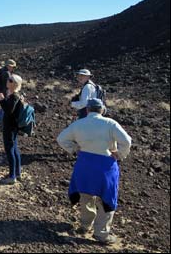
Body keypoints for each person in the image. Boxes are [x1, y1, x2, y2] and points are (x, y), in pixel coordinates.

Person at [57, 98, 132, 245]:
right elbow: (127, 141)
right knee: (106, 199)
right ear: (102, 110)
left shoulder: (79, 124)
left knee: (86, 195)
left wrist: (74, 148)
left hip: (84, 164)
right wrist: (119, 154)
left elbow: (61, 139)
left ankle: (85, 226)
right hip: (105, 166)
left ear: (87, 110)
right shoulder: (110, 123)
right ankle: (101, 234)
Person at [0, 73, 24, 184]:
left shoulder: (14, 96)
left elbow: (9, 111)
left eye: (11, 80)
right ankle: (17, 173)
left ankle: (12, 176)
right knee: (14, 149)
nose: (8, 80)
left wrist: (2, 100)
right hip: (13, 126)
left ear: (15, 84)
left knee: (10, 151)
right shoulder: (15, 95)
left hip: (10, 127)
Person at [0, 59, 16, 128]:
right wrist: (7, 94)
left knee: (3, 109)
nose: (13, 68)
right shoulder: (6, 73)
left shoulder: (1, 70)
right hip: (4, 93)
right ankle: (2, 125)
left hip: (0, 92)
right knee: (5, 109)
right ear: (9, 66)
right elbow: (6, 85)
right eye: (12, 67)